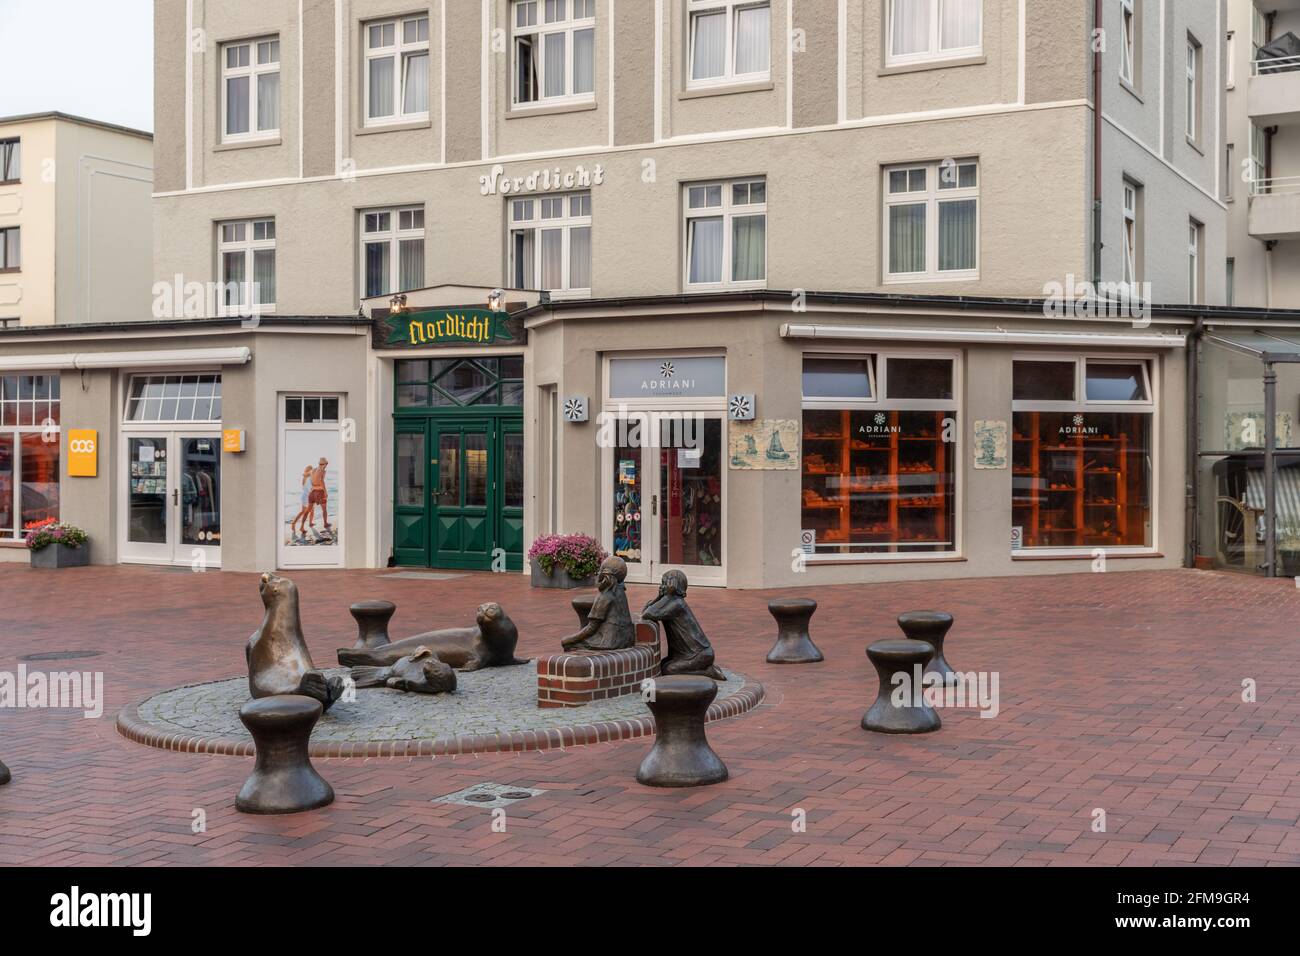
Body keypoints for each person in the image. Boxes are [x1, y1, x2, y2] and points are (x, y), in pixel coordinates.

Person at [561, 556, 634, 651]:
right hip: (626, 638)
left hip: (608, 641)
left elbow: (592, 628)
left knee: (567, 643)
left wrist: (569, 639)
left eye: (600, 570)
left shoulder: (604, 596)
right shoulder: (620, 592)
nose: (598, 573)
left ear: (605, 574)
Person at [308, 457, 331, 537]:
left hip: (312, 492)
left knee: (311, 509)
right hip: (320, 492)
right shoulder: (323, 471)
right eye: (326, 464)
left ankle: (310, 523)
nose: (326, 466)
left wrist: (314, 487)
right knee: (324, 509)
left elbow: (311, 481)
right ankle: (325, 523)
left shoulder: (313, 470)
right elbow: (321, 481)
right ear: (324, 464)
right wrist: (325, 492)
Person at [290, 465, 313, 540]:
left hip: (304, 496)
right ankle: (295, 524)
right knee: (304, 512)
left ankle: (305, 525)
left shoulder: (304, 477)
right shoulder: (309, 478)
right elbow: (310, 489)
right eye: (311, 470)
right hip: (307, 497)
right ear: (309, 470)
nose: (312, 471)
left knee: (308, 511)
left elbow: (305, 488)